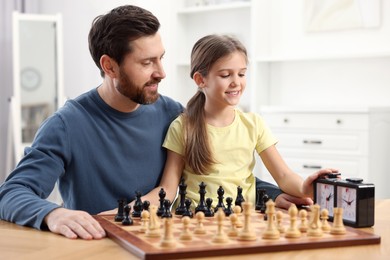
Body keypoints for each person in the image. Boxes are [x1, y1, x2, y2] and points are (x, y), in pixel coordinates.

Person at [0, 5, 303, 240]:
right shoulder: (66, 125)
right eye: (147, 63)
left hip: (167, 242)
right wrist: (53, 214)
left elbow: (220, 170)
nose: (161, 72)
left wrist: (274, 195)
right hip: (103, 246)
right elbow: (12, 193)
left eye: (161, 58)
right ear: (110, 66)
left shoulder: (173, 113)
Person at [141, 34, 338, 210]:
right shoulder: (183, 126)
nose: (236, 82)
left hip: (242, 220)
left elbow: (284, 176)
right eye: (225, 75)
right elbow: (167, 189)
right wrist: (122, 211)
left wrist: (305, 187)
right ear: (201, 80)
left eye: (242, 74)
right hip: (195, 222)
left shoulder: (254, 124)